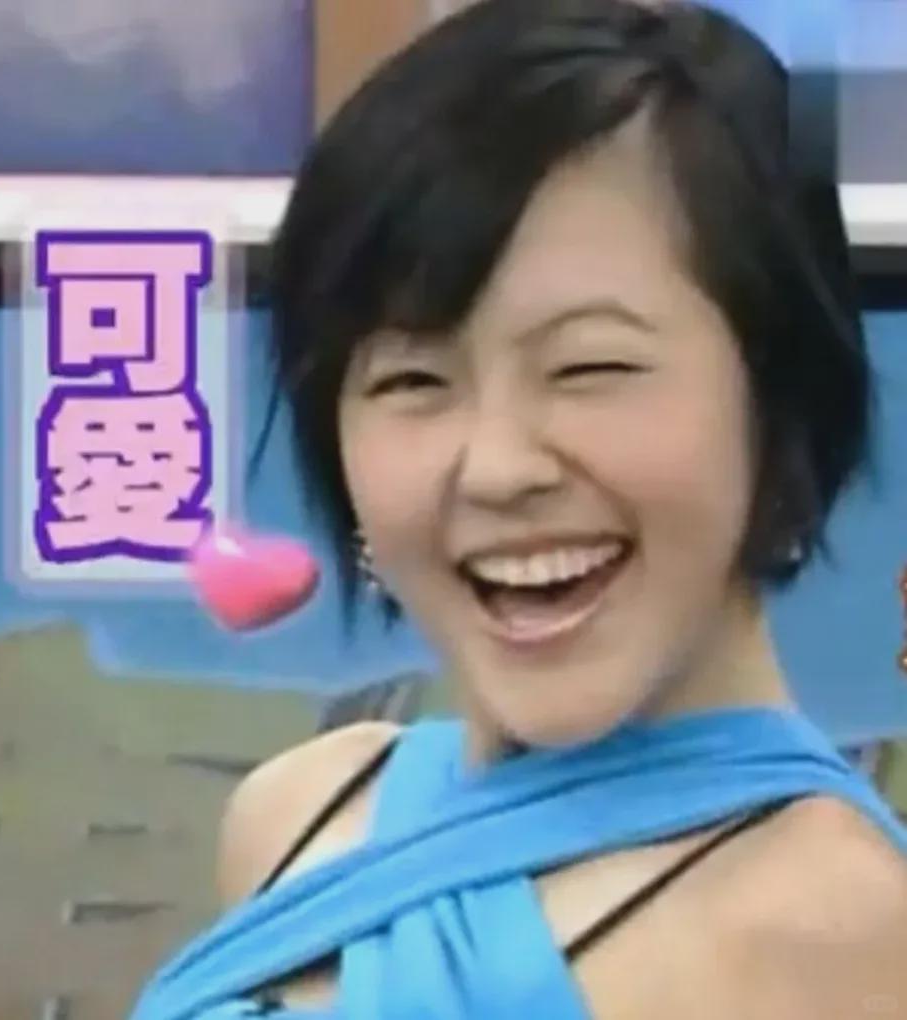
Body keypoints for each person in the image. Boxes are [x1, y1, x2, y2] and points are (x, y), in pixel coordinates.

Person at [131, 1, 907, 1017]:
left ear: (782, 405)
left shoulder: (841, 935)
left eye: (590, 367)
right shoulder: (300, 816)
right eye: (412, 381)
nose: (496, 469)